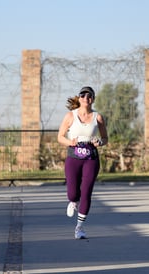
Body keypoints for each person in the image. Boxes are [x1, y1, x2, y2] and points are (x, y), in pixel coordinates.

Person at [57, 86, 108, 239]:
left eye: (90, 95)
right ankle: (73, 201)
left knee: (86, 192)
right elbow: (60, 137)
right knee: (73, 193)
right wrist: (70, 142)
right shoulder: (70, 116)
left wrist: (100, 142)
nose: (86, 97)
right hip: (74, 158)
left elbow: (105, 138)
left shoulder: (98, 117)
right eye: (83, 95)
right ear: (79, 98)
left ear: (93, 99)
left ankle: (79, 227)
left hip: (91, 158)